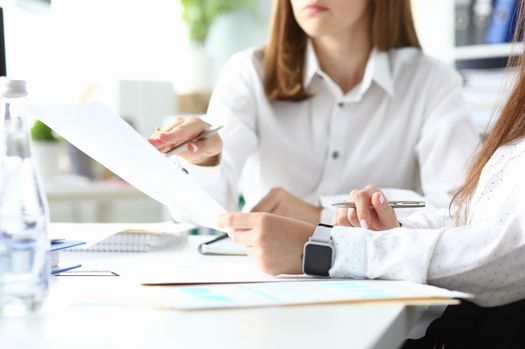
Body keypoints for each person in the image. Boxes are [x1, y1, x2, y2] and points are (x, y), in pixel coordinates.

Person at [217, 8, 525, 346]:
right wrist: (380, 233)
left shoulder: (430, 81)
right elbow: (465, 213)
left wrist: (325, 240)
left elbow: (503, 246)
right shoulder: (247, 71)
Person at [149, 0, 478, 225]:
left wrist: (319, 213)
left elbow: (460, 209)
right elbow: (202, 213)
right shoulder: (248, 72)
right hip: (267, 284)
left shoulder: (432, 82)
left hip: (377, 287)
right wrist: (205, 159)